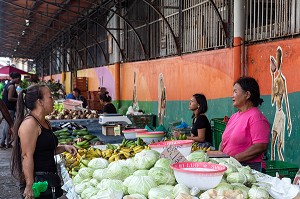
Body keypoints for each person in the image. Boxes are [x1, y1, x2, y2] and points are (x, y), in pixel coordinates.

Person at [10, 84, 77, 199]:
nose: (53, 101)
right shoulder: (30, 124)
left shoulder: (46, 122)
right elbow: (27, 156)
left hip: (48, 181)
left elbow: (45, 150)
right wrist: (29, 185)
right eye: (50, 97)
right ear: (40, 101)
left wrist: (64, 147)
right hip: (37, 184)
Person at [221, 77, 270, 172]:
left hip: (249, 170)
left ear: (247, 95)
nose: (232, 96)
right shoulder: (234, 116)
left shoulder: (256, 117)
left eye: (235, 92)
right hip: (231, 167)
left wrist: (235, 159)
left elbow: (260, 146)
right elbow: (224, 142)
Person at [270, 46, 291, 161]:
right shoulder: (276, 79)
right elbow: (273, 99)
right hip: (277, 114)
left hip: (281, 114)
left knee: (278, 144)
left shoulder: (282, 80)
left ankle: (280, 160)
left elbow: (286, 100)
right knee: (273, 141)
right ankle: (273, 160)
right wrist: (272, 75)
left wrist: (289, 122)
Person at [1, 72, 21, 149]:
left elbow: (3, 95)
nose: (19, 80)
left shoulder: (7, 85)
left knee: (5, 125)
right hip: (9, 109)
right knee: (8, 126)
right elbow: (10, 98)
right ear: (16, 78)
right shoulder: (12, 87)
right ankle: (7, 143)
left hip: (6, 108)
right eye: (19, 79)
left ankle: (2, 142)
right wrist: (19, 98)